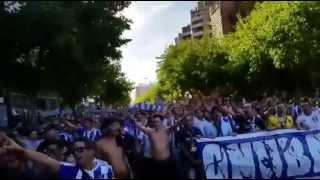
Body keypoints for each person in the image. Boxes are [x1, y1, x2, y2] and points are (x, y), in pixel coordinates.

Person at [0, 133, 114, 179]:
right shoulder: (71, 171)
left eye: (80, 150)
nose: (76, 153)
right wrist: (22, 150)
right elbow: (45, 159)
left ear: (92, 151)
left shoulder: (106, 168)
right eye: (74, 150)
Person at [134, 113, 179, 179]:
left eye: (157, 121)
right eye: (154, 122)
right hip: (156, 163)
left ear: (161, 122)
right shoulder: (150, 132)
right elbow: (140, 127)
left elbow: (177, 124)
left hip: (167, 163)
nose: (156, 123)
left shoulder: (167, 131)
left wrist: (188, 113)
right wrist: (133, 119)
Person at [176, 114, 204, 179]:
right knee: (190, 176)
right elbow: (182, 147)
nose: (188, 122)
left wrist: (201, 138)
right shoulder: (180, 132)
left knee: (200, 176)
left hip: (198, 158)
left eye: (190, 120)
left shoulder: (197, 130)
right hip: (187, 159)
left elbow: (202, 143)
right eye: (187, 121)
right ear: (184, 122)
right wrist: (192, 159)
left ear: (193, 121)